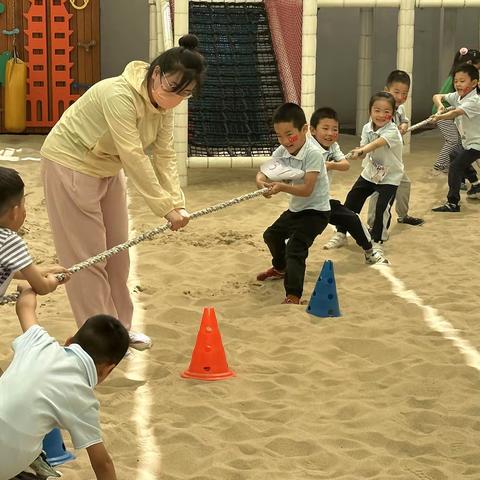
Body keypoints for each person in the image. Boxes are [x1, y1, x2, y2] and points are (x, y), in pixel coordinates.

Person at [40, 34, 206, 350]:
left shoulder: (164, 104)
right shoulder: (118, 94)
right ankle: (98, 342)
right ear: (156, 74)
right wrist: (164, 208)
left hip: (107, 168)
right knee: (89, 260)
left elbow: (165, 153)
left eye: (186, 93)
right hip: (71, 164)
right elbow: (133, 154)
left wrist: (177, 203)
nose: (176, 98)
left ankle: (119, 331)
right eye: (173, 88)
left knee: (117, 255)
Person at [0, 285, 130, 480]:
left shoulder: (39, 343)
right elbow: (102, 463)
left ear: (69, 341)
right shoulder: (83, 399)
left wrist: (28, 288)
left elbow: (25, 307)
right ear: (107, 370)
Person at [255, 103, 330, 305]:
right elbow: (264, 171)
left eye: (289, 134)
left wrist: (281, 187)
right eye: (279, 136)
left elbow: (307, 190)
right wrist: (261, 181)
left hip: (317, 213)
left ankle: (293, 295)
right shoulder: (283, 150)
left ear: (304, 129)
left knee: (295, 248)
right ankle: (280, 268)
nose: (285, 141)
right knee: (271, 235)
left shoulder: (313, 153)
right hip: (297, 209)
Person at [309, 107, 388, 265]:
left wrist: (330, 165)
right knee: (285, 236)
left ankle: (369, 252)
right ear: (312, 130)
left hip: (323, 200)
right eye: (325, 128)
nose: (330, 133)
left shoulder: (333, 146)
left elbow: (345, 165)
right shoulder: (306, 148)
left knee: (352, 219)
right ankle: (281, 265)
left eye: (335, 129)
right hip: (302, 202)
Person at [336, 92, 403, 250]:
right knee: (352, 199)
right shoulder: (366, 128)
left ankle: (377, 240)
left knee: (381, 208)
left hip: (389, 177)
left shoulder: (392, 131)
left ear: (392, 114)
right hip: (371, 172)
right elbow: (364, 152)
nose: (381, 115)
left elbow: (376, 144)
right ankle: (341, 233)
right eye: (377, 110)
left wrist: (363, 149)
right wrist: (358, 153)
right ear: (370, 111)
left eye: (386, 112)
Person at [0, 167, 69, 300]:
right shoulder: (9, 241)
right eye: (23, 204)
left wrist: (44, 271)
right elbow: (42, 287)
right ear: (15, 212)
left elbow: (7, 268)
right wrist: (53, 281)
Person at [366, 70, 424, 229]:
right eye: (396, 92)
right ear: (387, 90)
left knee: (404, 184)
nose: (400, 97)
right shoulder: (380, 110)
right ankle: (372, 225)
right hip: (380, 161)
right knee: (378, 193)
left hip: (395, 161)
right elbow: (375, 134)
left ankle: (403, 215)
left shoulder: (400, 109)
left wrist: (404, 125)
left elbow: (404, 120)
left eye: (405, 93)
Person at [431, 63, 480, 212]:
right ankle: (476, 184)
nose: (457, 84)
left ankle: (453, 203)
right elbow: (437, 96)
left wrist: (439, 118)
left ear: (474, 83)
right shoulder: (458, 96)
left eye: (462, 81)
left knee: (455, 166)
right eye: (456, 81)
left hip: (477, 144)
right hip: (468, 142)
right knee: (454, 154)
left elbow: (454, 113)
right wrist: (440, 106)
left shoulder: (475, 101)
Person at [431, 47, 480, 175]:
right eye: (477, 66)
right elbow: (440, 97)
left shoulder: (468, 82)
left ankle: (468, 180)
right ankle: (440, 165)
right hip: (444, 113)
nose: (458, 83)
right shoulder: (458, 80)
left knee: (460, 146)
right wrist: (440, 111)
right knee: (454, 141)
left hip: (455, 114)